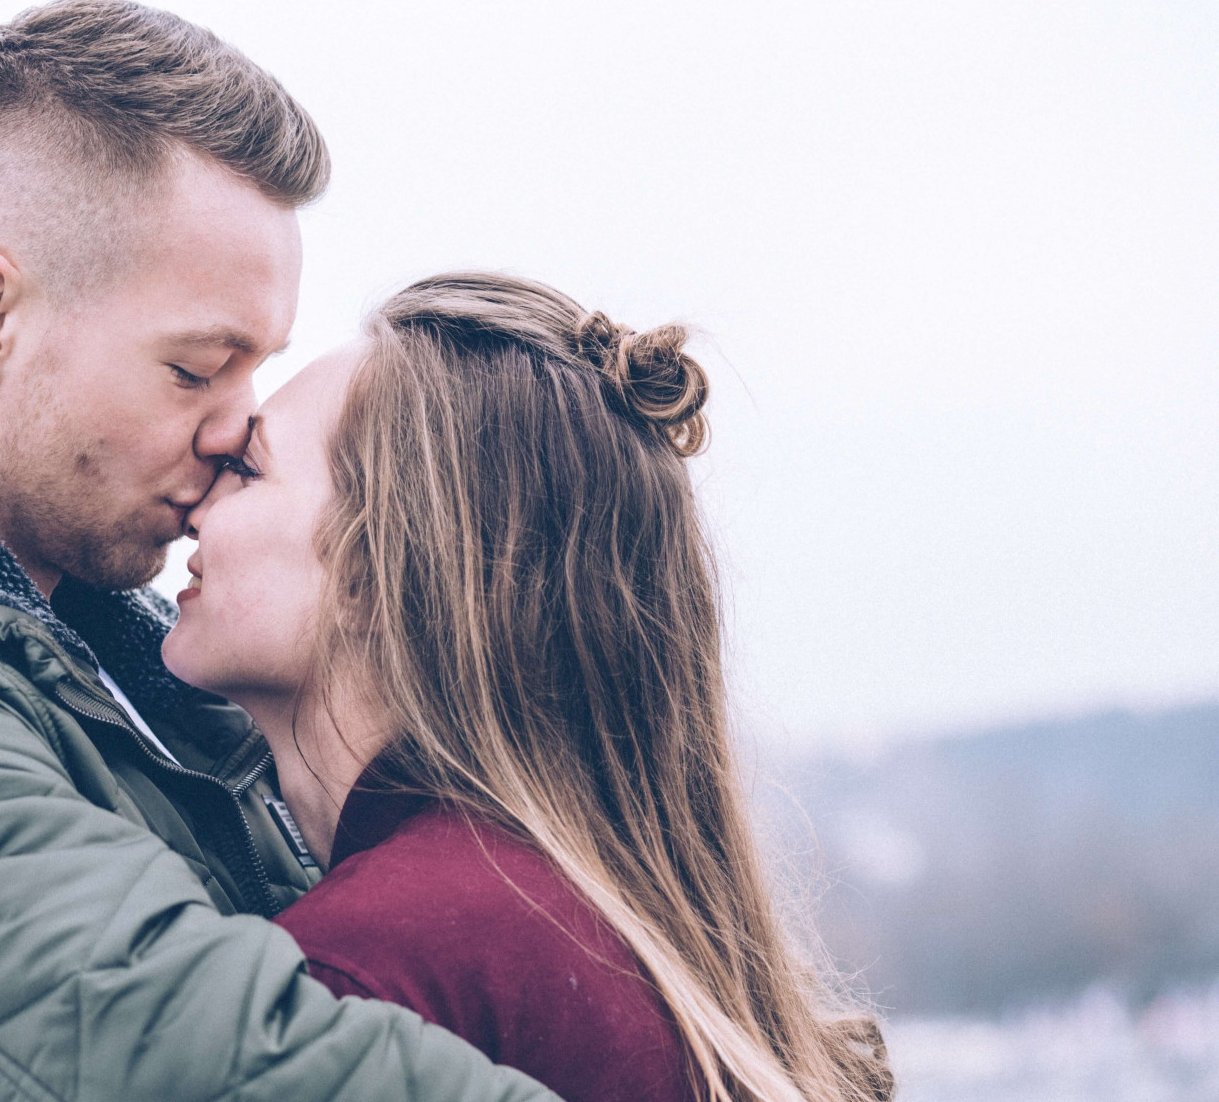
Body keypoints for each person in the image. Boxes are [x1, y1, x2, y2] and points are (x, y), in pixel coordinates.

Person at [0, 0, 553, 1101]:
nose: (238, 430)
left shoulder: (111, 659)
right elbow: (215, 1064)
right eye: (196, 370)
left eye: (256, 369)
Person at [163, 271, 896, 1102]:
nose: (195, 499)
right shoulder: (597, 924)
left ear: (375, 572)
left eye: (249, 469)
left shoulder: (367, 975)